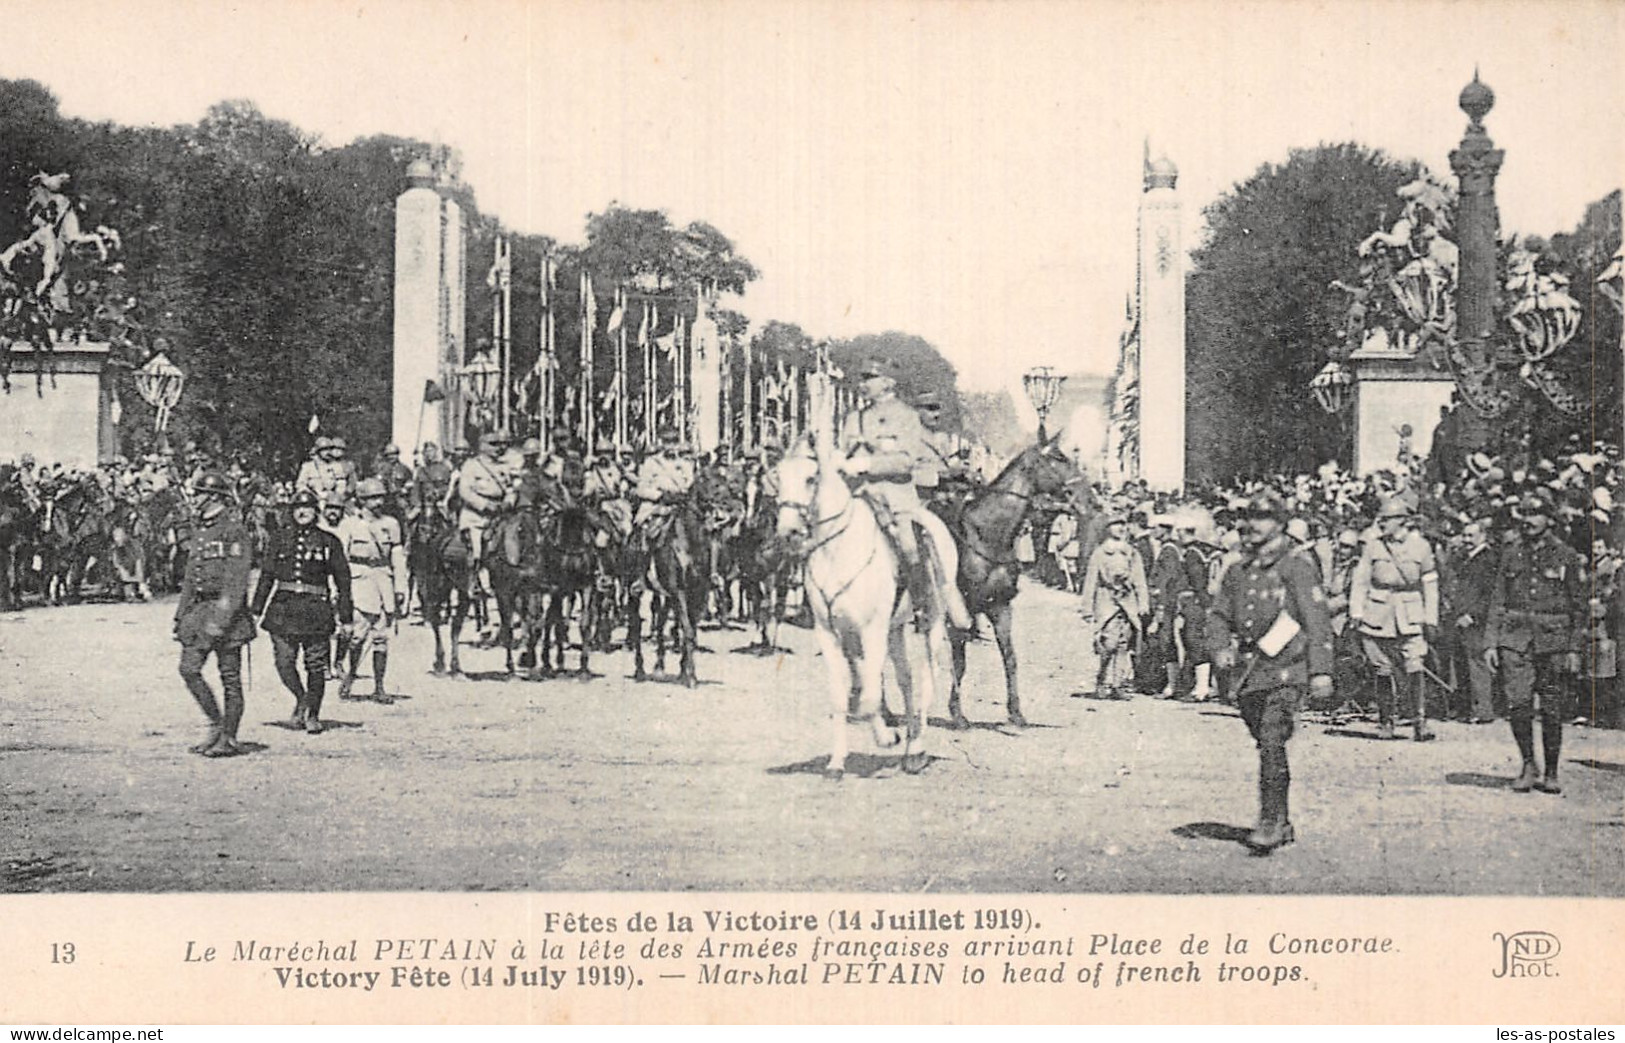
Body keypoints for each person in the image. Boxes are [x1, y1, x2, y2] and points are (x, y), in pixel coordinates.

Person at [1208, 490, 1334, 853]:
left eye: (1262, 518)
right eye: (1249, 517)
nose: (1252, 525)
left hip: (1286, 669)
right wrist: (1219, 647)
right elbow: (1219, 614)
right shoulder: (1238, 570)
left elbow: (1317, 619)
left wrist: (1321, 671)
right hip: (1250, 671)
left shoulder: (1297, 566)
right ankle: (1283, 819)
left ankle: (1271, 821)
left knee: (1272, 738)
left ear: (1279, 524)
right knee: (1264, 741)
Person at [836, 359, 972, 632]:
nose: (863, 384)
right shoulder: (855, 418)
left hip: (896, 498)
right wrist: (839, 460)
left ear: (888, 382)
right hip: (859, 495)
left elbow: (905, 461)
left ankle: (921, 604)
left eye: (870, 378)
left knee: (909, 546)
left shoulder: (907, 417)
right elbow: (844, 449)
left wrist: (867, 465)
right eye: (862, 378)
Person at [1485, 495, 1585, 794]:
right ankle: (1528, 764)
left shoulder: (1566, 555)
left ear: (1549, 519)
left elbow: (1578, 605)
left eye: (1535, 514)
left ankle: (1551, 770)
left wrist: (1574, 648)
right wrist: (1491, 641)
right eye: (1524, 514)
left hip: (1553, 641)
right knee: (1518, 703)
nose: (1528, 520)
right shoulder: (1511, 553)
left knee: (1552, 708)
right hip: (1515, 640)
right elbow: (1497, 600)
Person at [249, 489, 353, 734]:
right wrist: (255, 611)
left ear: (316, 511)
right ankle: (301, 697)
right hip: (283, 610)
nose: (302, 512)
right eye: (297, 508)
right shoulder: (279, 539)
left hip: (316, 610)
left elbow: (343, 581)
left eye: (307, 507)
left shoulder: (329, 542)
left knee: (316, 666)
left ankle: (313, 714)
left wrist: (346, 617)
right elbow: (267, 576)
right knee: (284, 662)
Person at [173, 471, 257, 758]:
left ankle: (230, 737)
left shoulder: (234, 531)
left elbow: (236, 582)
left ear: (213, 497)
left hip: (227, 617)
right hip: (199, 611)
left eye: (198, 494)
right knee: (188, 669)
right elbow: (189, 577)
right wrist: (181, 614)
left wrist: (219, 622)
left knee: (229, 678)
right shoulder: (202, 530)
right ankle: (215, 724)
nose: (193, 499)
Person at [1349, 497, 1440, 740]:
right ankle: (1386, 721)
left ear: (1402, 521)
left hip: (1410, 613)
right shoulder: (1372, 546)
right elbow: (1361, 581)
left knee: (1415, 664)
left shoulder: (1421, 546)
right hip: (1378, 614)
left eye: (1387, 520)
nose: (1381, 524)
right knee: (1382, 669)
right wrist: (1356, 611)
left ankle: (1420, 722)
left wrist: (1431, 617)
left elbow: (1430, 584)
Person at [334, 478, 408, 702]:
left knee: (381, 637)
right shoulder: (349, 525)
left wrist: (400, 586)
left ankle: (379, 687)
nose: (378, 502)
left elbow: (397, 556)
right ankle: (350, 676)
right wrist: (340, 589)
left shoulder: (391, 524)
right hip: (359, 579)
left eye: (381, 497)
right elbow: (340, 559)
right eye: (373, 498)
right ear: (361, 501)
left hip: (382, 579)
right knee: (358, 635)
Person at [1080, 513, 1149, 699]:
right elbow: (1091, 581)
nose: (1121, 528)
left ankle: (1117, 685)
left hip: (1128, 602)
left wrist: (1143, 602)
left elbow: (1139, 579)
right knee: (1108, 644)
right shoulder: (1100, 553)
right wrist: (1087, 608)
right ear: (1107, 529)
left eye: (1123, 524)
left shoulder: (1131, 552)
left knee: (1123, 645)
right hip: (1106, 601)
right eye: (1116, 524)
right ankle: (1101, 680)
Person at [1446, 518, 1499, 724]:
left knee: (1477, 664)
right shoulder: (1464, 558)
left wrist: (1473, 615)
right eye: (1465, 535)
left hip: (1476, 621)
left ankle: (1483, 710)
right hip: (1460, 619)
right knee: (1461, 663)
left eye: (1471, 536)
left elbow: (1490, 594)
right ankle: (1465, 708)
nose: (1466, 540)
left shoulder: (1488, 559)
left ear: (1483, 536)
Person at [296, 436, 358, 506]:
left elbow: (344, 484)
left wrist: (340, 496)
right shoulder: (308, 466)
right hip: (315, 501)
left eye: (329, 449)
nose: (327, 452)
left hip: (335, 501)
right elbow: (300, 485)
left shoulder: (337, 466)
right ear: (318, 451)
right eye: (324, 450)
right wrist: (312, 495)